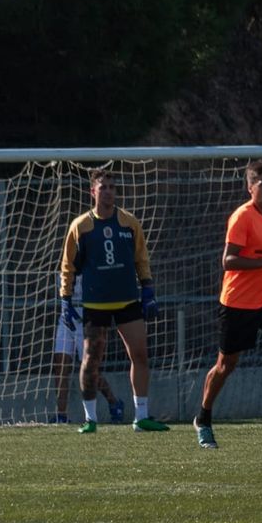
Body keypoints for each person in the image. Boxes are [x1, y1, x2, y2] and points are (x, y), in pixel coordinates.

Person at [194, 160, 262, 448]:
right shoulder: (242, 218)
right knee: (226, 365)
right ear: (250, 188)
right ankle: (203, 418)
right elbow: (228, 260)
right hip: (238, 302)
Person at [59, 169, 170, 433]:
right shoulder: (80, 226)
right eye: (103, 187)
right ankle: (90, 420)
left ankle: (141, 416)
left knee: (140, 355)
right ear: (93, 192)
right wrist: (65, 299)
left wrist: (148, 290)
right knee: (90, 360)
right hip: (96, 304)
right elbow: (68, 265)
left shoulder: (129, 223)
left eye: (112, 187)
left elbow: (141, 259)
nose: (108, 191)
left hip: (127, 302)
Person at [52, 294, 122, 424]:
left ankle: (114, 402)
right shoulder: (63, 273)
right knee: (60, 365)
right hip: (66, 313)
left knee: (89, 366)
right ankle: (61, 415)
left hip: (85, 313)